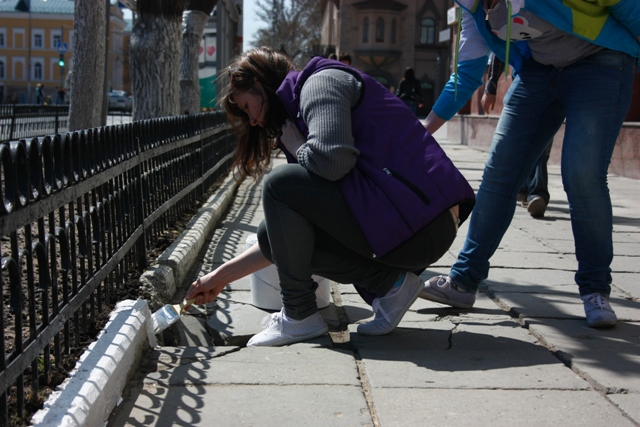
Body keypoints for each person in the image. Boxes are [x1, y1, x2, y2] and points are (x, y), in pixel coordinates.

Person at [186, 47, 475, 346]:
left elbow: (332, 162)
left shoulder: (319, 84)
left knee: (279, 184)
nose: (254, 121)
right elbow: (285, 238)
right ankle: (391, 287)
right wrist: (218, 278)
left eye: (248, 107)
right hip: (408, 219)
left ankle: (299, 316)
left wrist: (298, 148)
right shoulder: (299, 107)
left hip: (423, 222)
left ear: (260, 83)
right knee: (271, 233)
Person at [421, 0, 638, 328]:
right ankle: (463, 282)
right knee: (499, 173)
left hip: (601, 62)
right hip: (538, 71)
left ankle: (595, 290)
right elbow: (466, 74)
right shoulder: (471, 7)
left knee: (582, 175)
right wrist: (421, 133)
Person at [481, 53, 552, 217]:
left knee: (543, 140)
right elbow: (500, 45)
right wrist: (491, 86)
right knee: (522, 141)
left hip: (556, 81)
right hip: (525, 83)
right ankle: (525, 188)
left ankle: (537, 193)